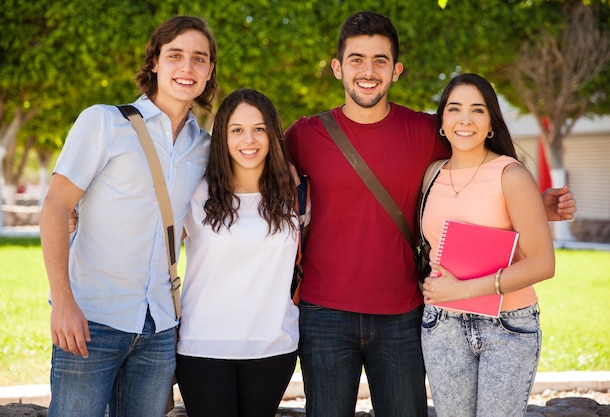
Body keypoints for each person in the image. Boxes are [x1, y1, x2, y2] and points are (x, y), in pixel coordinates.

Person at [284, 11, 576, 417]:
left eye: (380, 61)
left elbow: (478, 175)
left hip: (404, 313)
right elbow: (259, 186)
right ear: (337, 67)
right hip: (323, 315)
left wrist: (532, 206)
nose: (368, 72)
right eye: (356, 60)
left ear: (397, 70)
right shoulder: (304, 134)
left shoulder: (426, 132)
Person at [39, 16, 217, 417]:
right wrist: (62, 302)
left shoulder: (205, 148)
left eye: (199, 59)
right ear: (154, 62)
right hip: (91, 320)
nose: (187, 68)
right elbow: (55, 205)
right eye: (175, 56)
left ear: (209, 72)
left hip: (159, 329)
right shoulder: (105, 122)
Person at [420, 73, 555, 417]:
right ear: (442, 121)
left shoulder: (511, 175)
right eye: (455, 109)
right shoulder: (431, 174)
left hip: (508, 326)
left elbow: (542, 264)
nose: (465, 119)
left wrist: (461, 291)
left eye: (477, 110)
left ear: (491, 122)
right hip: (442, 324)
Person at [175, 88, 299, 417]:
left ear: (273, 134)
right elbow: (152, 241)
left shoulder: (295, 193)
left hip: (273, 345)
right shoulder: (195, 191)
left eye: (259, 129)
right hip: (203, 346)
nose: (249, 140)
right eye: (237, 130)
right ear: (222, 137)